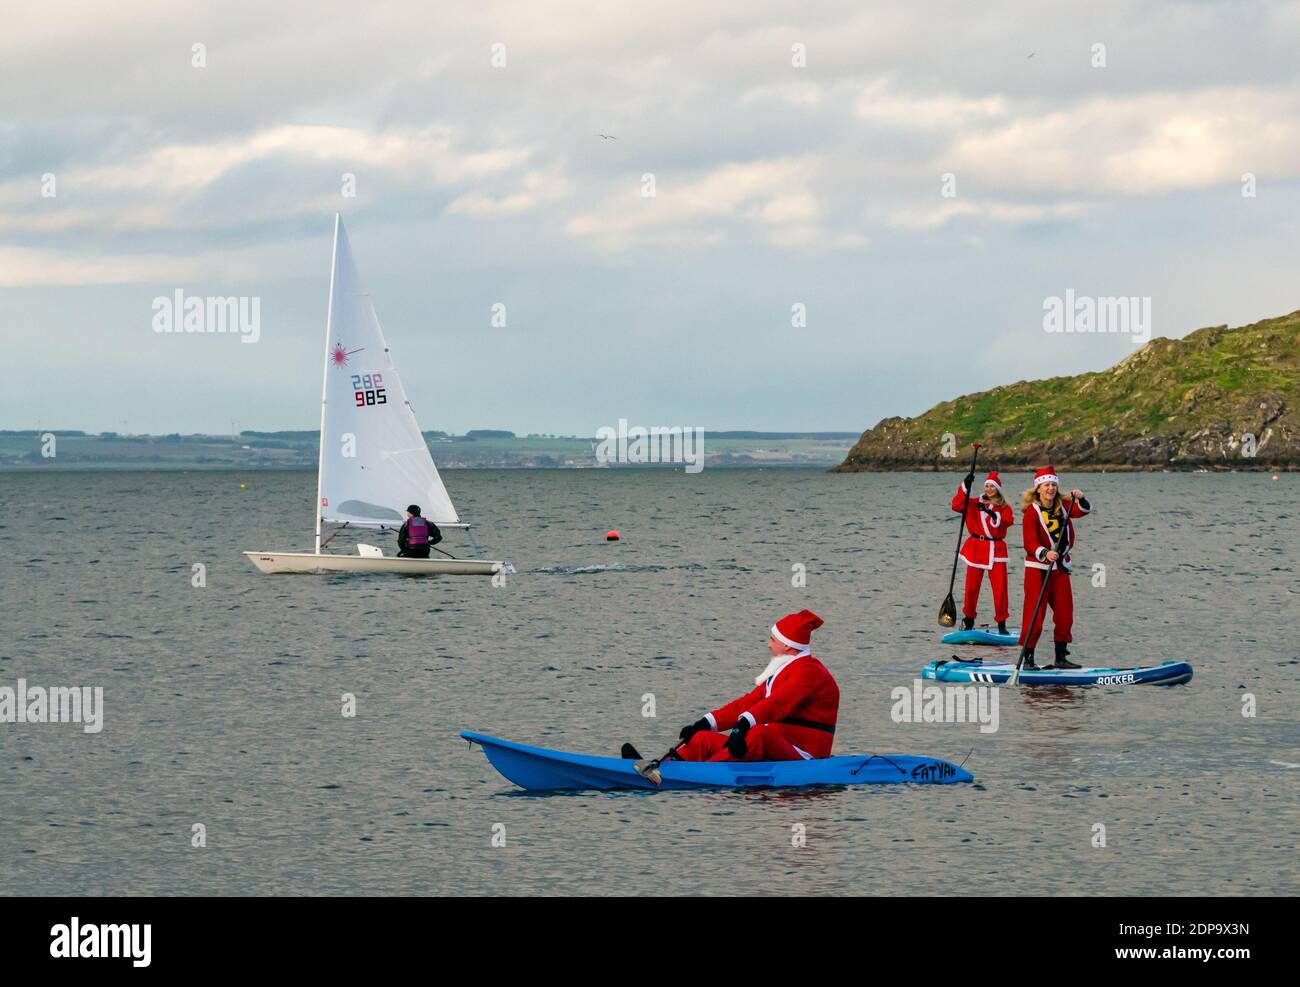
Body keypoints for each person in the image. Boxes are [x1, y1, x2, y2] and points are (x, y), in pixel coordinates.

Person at [668, 610, 839, 762]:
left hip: (804, 753)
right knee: (702, 737)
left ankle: (703, 771)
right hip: (779, 745)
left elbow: (778, 703)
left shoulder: (810, 672)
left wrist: (743, 724)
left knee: (759, 734)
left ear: (786, 645)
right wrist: (706, 723)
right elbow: (749, 702)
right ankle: (665, 766)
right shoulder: (784, 669)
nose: (769, 644)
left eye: (773, 640)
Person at [1018, 468, 1090, 669]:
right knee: (1035, 615)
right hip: (1038, 569)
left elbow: (1082, 511)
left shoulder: (1064, 505)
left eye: (1053, 484)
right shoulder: (1031, 512)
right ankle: (1028, 659)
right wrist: (1044, 552)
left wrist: (1081, 498)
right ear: (1038, 488)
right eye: (1046, 485)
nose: (1050, 488)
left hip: (1060, 568)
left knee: (1065, 613)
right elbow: (1029, 542)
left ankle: (1060, 658)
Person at [951, 469, 1014, 634]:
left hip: (996, 550)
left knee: (1000, 589)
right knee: (971, 587)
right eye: (986, 486)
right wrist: (965, 485)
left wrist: (991, 513)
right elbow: (956, 505)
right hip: (976, 548)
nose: (989, 489)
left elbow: (1007, 522)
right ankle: (969, 619)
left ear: (998, 489)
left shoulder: (1004, 507)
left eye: (992, 486)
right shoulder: (973, 502)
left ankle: (1002, 623)